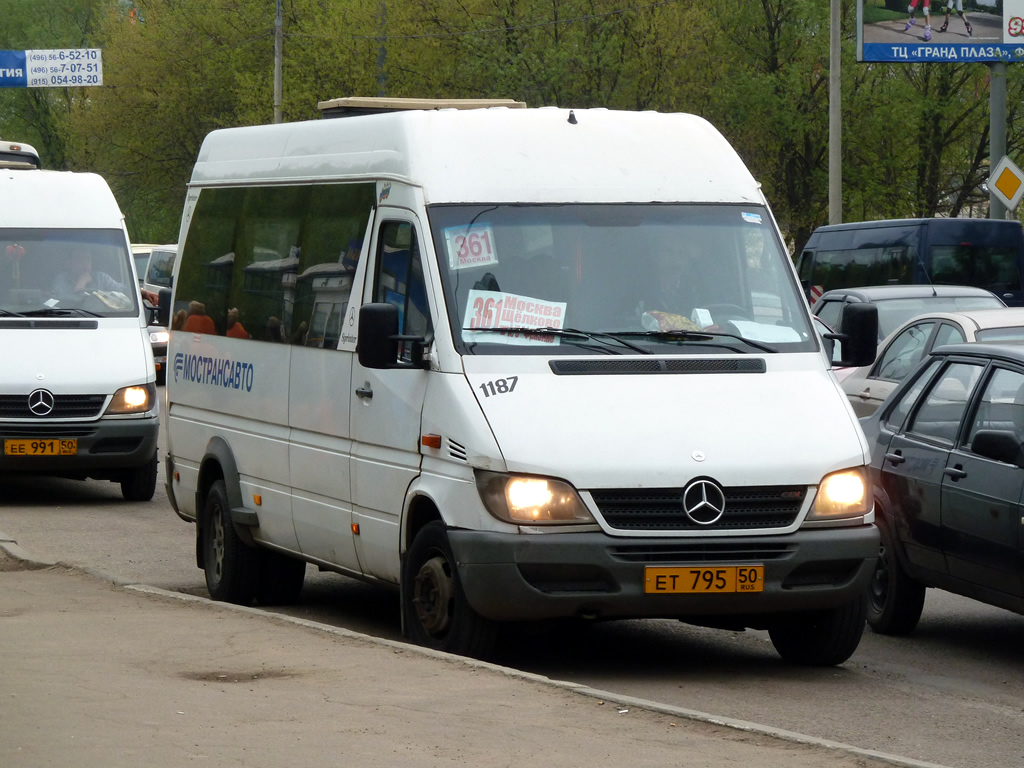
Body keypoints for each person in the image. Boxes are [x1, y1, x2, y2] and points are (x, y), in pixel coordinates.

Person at [53, 250, 158, 305]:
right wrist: (81, 283)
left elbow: (123, 290)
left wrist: (143, 293)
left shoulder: (100, 277)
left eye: (88, 259)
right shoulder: (62, 280)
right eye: (79, 259)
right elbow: (65, 303)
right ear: (69, 263)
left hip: (104, 317)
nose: (85, 263)